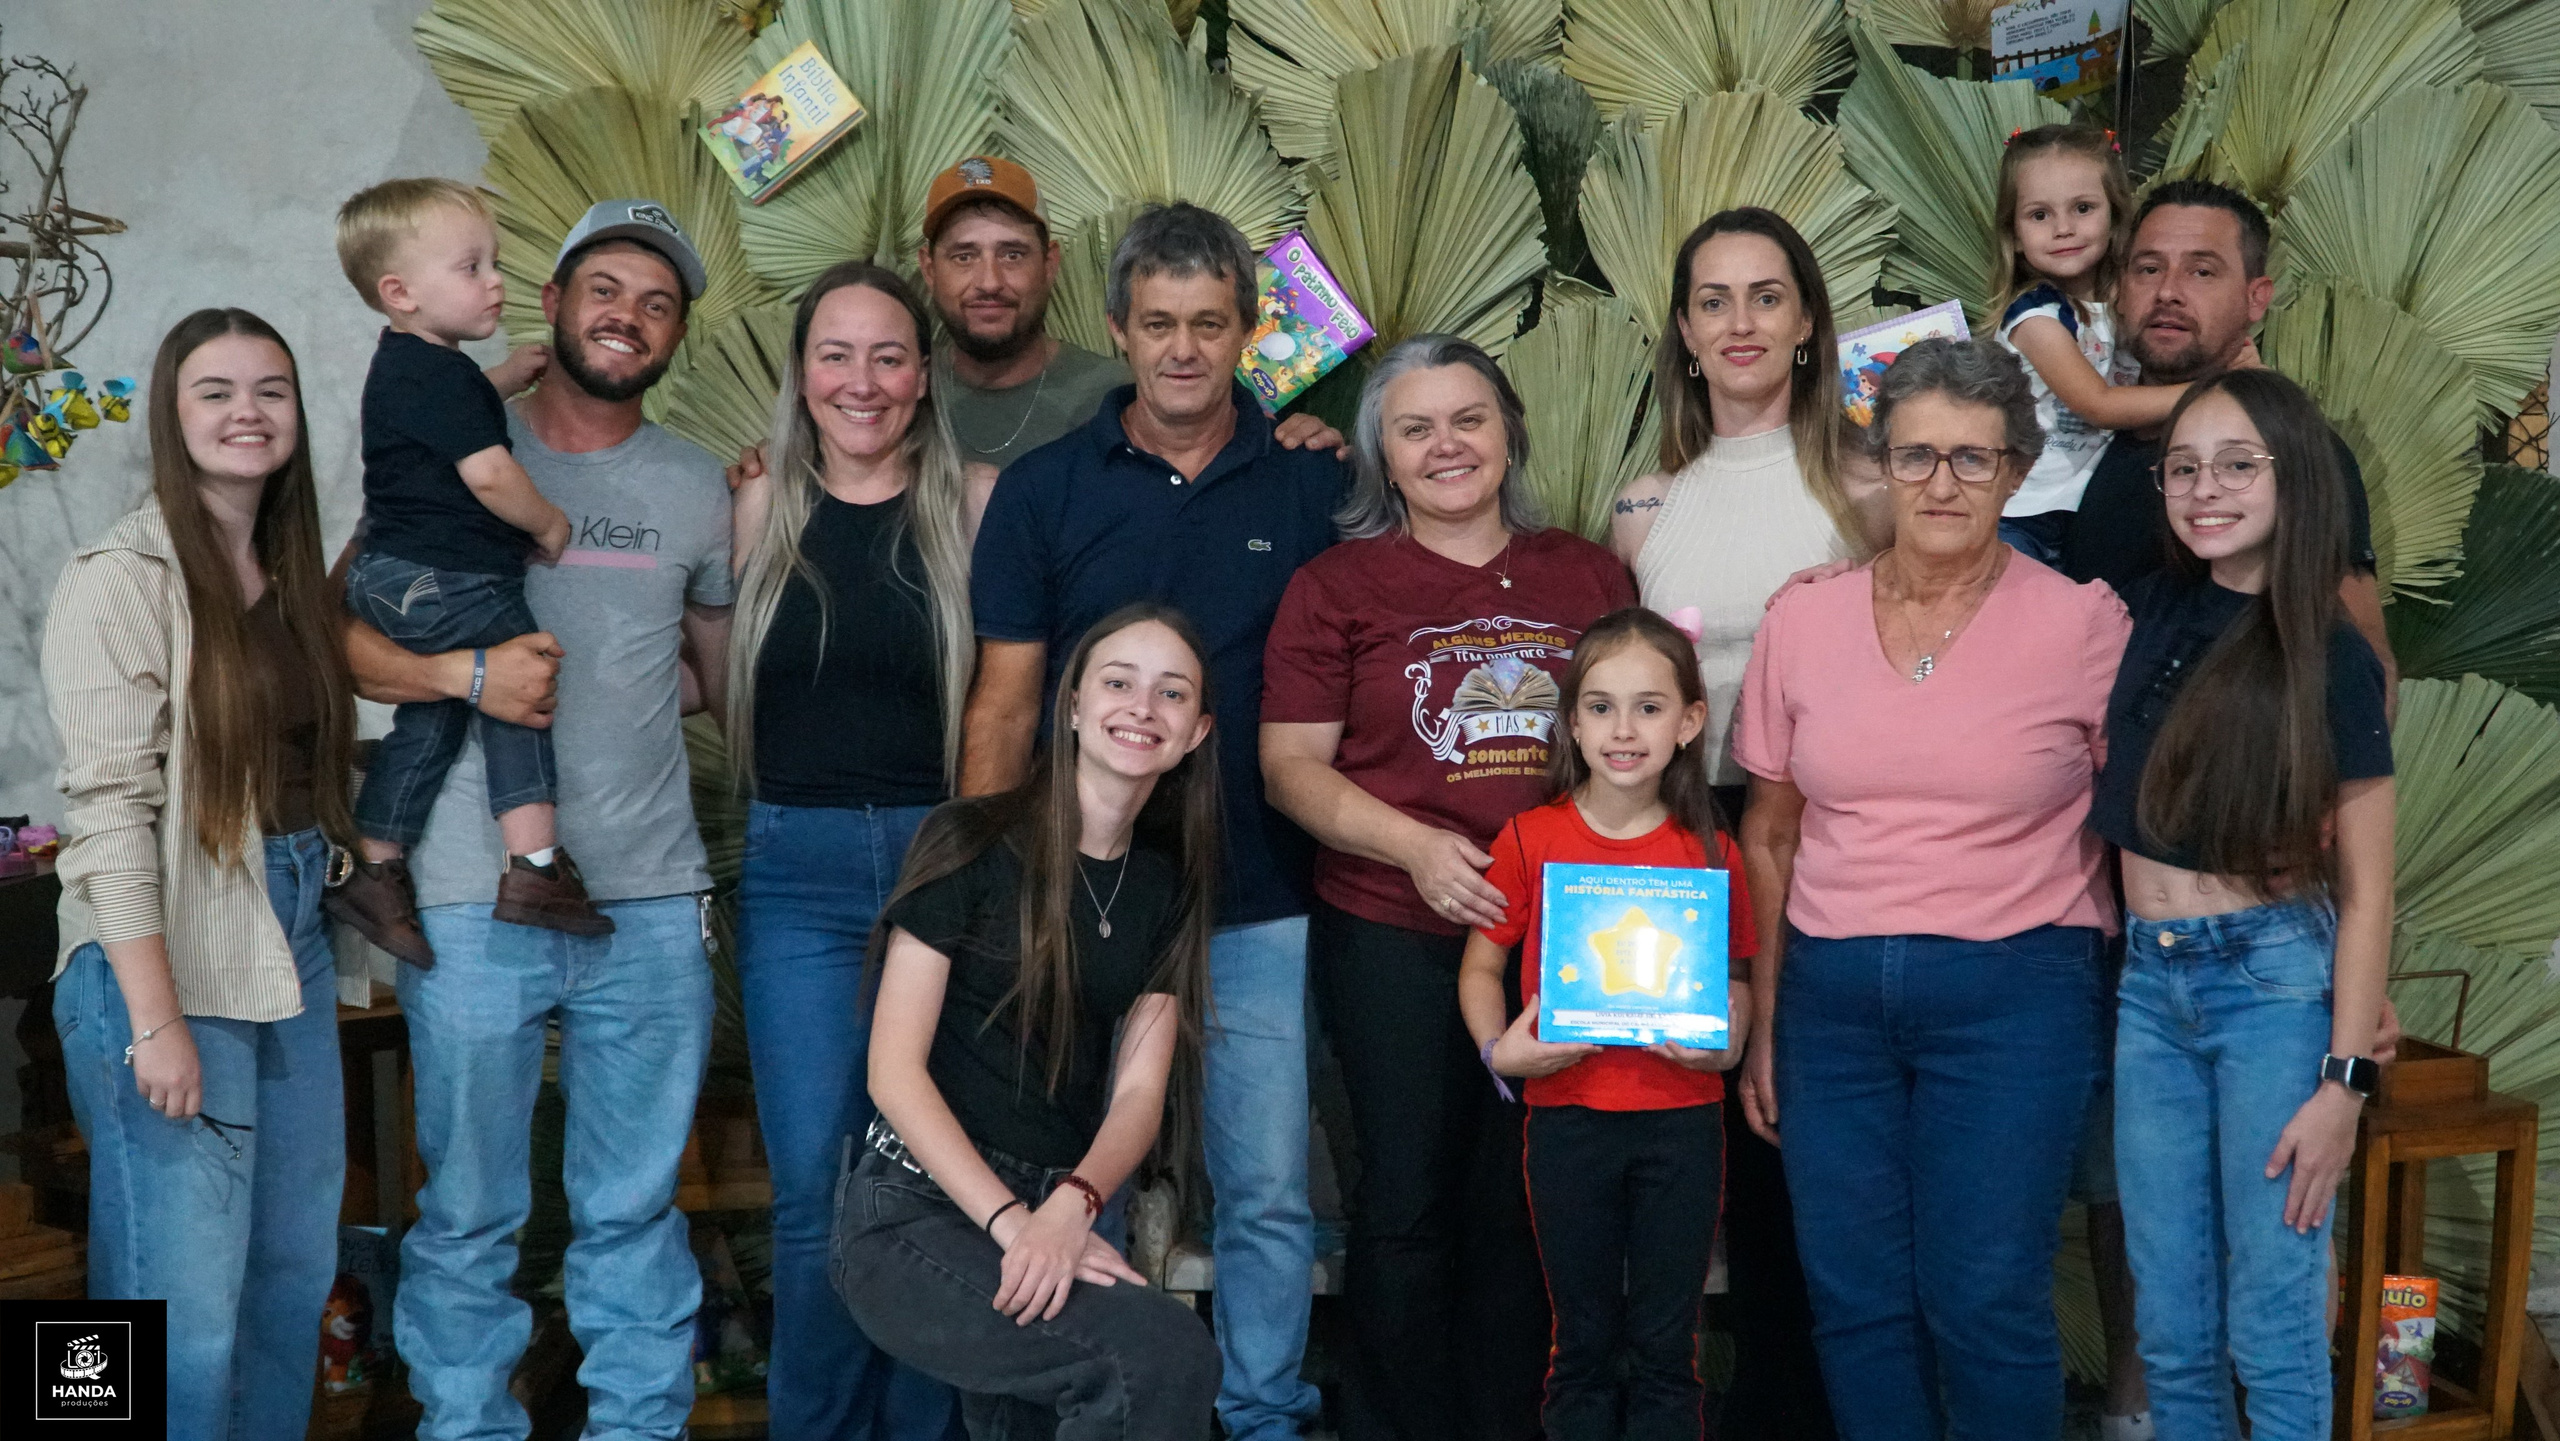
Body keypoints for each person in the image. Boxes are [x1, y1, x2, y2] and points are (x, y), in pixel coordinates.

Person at [342, 199, 736, 1441]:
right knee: (467, 1213)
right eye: (604, 288)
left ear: (674, 336)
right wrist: (466, 675)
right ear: (554, 304)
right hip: (472, 896)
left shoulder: (696, 486)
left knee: (633, 1212)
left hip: (650, 900)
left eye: (657, 303)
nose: (628, 315)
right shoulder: (456, 434)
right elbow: (344, 635)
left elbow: (714, 678)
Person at [964, 201, 1340, 1440]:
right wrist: (981, 887)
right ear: (1118, 329)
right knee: (1085, 1178)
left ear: (1247, 332)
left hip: (1257, 895)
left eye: (1210, 324)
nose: (1184, 349)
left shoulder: (1307, 485)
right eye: (1159, 323)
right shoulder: (1044, 489)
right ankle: (1108, 1407)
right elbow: (1006, 701)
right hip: (1083, 897)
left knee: (1267, 1186)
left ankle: (1264, 1411)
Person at [1734, 338, 2131, 1440]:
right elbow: (1769, 830)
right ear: (1882, 463)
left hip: (2017, 993)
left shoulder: (2084, 624)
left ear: (2016, 470)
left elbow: (2141, 831)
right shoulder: (1802, 617)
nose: (1942, 483)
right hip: (1830, 998)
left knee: (1985, 1295)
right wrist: (1768, 1015)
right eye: (1916, 456)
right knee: (1855, 1299)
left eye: (1972, 458)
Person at [1261, 334, 1625, 1438]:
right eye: (1414, 429)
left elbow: (1634, 741)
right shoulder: (1336, 585)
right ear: (1383, 454)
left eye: (1468, 419)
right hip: (1394, 930)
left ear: (1510, 430)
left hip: (1557, 935)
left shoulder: (1587, 575)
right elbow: (1289, 766)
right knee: (1405, 1201)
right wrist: (1413, 846)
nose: (1446, 446)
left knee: (1525, 1202)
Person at [43, 308, 358, 1441]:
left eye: (271, 389)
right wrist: (155, 1018)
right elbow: (106, 820)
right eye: (214, 392)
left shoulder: (287, 570)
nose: (247, 412)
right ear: (172, 418)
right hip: (162, 954)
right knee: (171, 1309)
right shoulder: (118, 576)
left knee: (288, 1278)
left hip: (290, 937)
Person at [1607, 204, 1876, 1441]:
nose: (1740, 323)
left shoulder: (1866, 488)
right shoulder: (1643, 504)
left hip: (1825, 839)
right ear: (1682, 328)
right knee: (1687, 1142)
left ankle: (1797, 1413)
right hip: (1679, 841)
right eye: (1712, 300)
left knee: (1793, 1148)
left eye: (1766, 295)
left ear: (1807, 318)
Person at [837, 604, 1225, 1438]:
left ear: (1197, 732)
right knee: (1157, 1356)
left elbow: (1139, 1093)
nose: (1142, 706)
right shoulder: (971, 838)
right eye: (1118, 683)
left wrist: (1071, 1207)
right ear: (1074, 704)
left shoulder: (1164, 884)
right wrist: (1017, 1225)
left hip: (1056, 1207)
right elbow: (892, 1070)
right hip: (917, 1207)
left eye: (1172, 692)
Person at [2097, 369, 2394, 1439]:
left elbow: (2368, 889)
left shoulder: (2329, 652)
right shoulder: (2148, 604)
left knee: (2272, 1322)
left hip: (2268, 984)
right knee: (2172, 1325)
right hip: (2149, 986)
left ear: (2293, 476)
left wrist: (2344, 1082)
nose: (2203, 488)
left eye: (2235, 464)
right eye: (2183, 467)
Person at [722, 259, 977, 1439]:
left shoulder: (975, 504)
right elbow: (704, 667)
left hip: (943, 866)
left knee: (931, 1178)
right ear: (801, 373)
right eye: (835, 355)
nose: (860, 381)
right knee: (815, 1186)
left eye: (887, 356)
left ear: (923, 376)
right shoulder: (757, 506)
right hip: (797, 872)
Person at [1458, 606, 1759, 1441]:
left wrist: (1731, 1038)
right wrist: (1499, 1050)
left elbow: (1737, 979)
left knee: (1669, 1347)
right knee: (1581, 1343)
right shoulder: (1530, 838)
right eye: (1601, 706)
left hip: (1683, 1124)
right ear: (1572, 723)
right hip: (1567, 1122)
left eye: (1648, 707)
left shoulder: (1712, 848)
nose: (1624, 730)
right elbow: (1480, 968)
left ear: (1689, 722)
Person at [326, 177, 605, 958]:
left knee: (435, 714)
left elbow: (450, 416)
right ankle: (535, 866)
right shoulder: (438, 374)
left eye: (495, 263)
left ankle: (375, 865)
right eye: (471, 267)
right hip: (446, 579)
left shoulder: (414, 367)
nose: (496, 282)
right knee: (523, 683)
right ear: (401, 292)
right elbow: (487, 475)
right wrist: (548, 521)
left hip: (394, 578)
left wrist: (506, 377)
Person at [2057, 178, 2396, 706]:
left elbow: (2366, 663)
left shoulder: (2290, 450)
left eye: (2202, 271)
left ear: (2255, 298)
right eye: (2148, 269)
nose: (2168, 292)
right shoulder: (2071, 432)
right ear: (2120, 288)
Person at [914, 155, 1343, 482]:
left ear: (1049, 263)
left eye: (1012, 254)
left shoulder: (1126, 395)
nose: (989, 281)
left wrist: (1308, 448)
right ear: (928, 269)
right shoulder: (898, 400)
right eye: (963, 256)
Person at [1991, 125, 2223, 568]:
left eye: (2082, 208)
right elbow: (2098, 405)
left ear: (2115, 215)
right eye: (2039, 215)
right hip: (2023, 514)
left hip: (2089, 506)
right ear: (2015, 233)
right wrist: (2216, 389)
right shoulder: (2035, 317)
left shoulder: (2125, 303)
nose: (2063, 229)